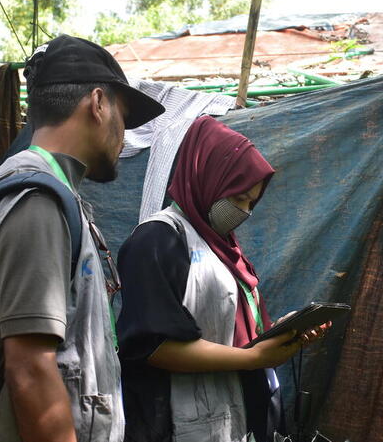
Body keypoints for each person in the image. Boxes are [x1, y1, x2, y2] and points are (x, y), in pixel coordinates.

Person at [0, 35, 164, 442]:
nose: (124, 135)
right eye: (123, 116)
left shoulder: (44, 194)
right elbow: (30, 369)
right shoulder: (37, 204)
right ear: (97, 103)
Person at [115, 116, 329, 442]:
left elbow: (229, 328)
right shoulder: (158, 240)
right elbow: (152, 346)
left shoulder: (223, 245)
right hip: (180, 423)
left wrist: (280, 334)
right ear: (207, 179)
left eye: (251, 202)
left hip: (237, 413)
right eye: (238, 198)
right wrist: (253, 357)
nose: (245, 212)